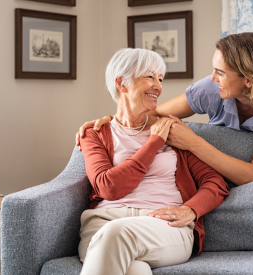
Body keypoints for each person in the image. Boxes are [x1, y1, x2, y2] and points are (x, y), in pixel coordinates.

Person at [77, 32, 253, 186]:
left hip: (251, 187)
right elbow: (152, 114)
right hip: (209, 180)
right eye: (213, 69)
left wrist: (192, 142)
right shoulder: (210, 89)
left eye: (221, 72)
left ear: (248, 80)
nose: (212, 77)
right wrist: (112, 121)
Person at [78, 48, 229, 275]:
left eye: (160, 78)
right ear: (122, 83)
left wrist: (190, 209)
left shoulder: (173, 130)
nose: (158, 86)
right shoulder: (96, 133)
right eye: (149, 76)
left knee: (116, 234)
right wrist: (153, 143)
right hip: (104, 222)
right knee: (135, 270)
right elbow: (108, 187)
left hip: (163, 225)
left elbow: (215, 182)